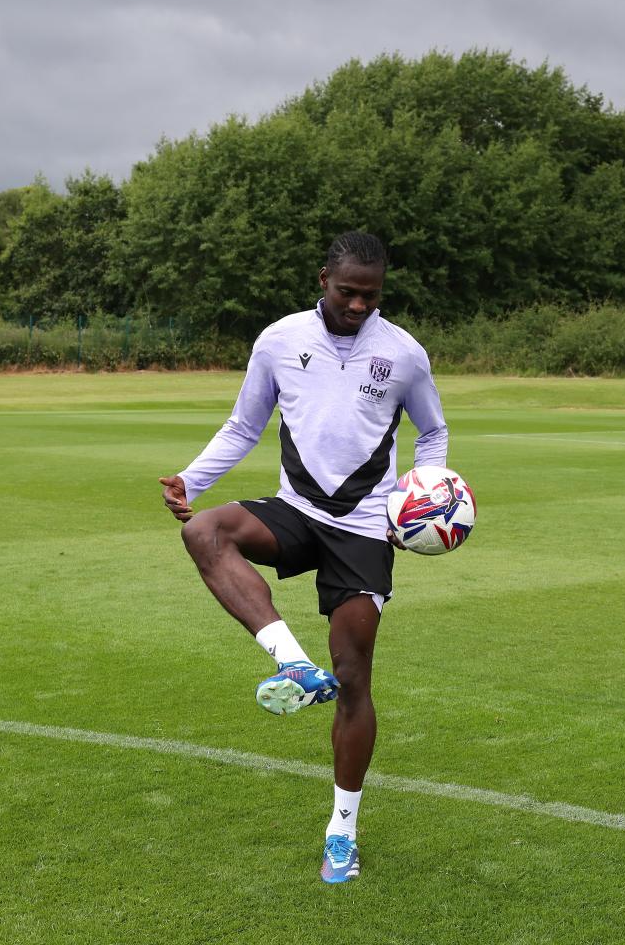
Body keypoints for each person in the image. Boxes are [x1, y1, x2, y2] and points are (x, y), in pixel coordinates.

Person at [159, 231, 449, 884]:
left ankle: (341, 831)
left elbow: (432, 432)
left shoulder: (402, 354)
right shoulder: (280, 340)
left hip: (368, 526)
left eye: (369, 296)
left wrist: (422, 494)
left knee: (354, 675)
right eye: (347, 291)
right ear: (324, 278)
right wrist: (192, 481)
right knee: (205, 532)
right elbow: (243, 425)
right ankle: (295, 666)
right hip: (297, 509)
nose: (356, 305)